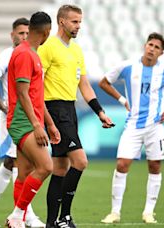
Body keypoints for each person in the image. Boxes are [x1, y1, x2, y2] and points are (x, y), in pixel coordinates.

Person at [99, 32, 164, 224]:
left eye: (157, 47)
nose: (152, 49)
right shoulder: (128, 66)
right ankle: (115, 212)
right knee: (122, 164)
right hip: (133, 125)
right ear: (144, 46)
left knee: (154, 166)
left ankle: (148, 211)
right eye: (150, 45)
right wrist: (122, 100)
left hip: (156, 126)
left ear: (161, 53)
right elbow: (104, 82)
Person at [37, 5, 114, 228]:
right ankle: (65, 217)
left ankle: (52, 223)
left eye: (80, 21)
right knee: (80, 161)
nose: (78, 26)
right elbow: (37, 84)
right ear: (61, 22)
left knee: (60, 167)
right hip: (54, 109)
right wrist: (44, 118)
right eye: (74, 21)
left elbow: (85, 85)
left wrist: (100, 112)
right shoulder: (48, 47)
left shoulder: (76, 50)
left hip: (69, 109)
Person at [0, 17, 44, 228]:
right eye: (19, 33)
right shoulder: (9, 54)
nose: (23, 36)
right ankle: (24, 216)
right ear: (12, 35)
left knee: (13, 164)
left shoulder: (29, 54)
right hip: (16, 119)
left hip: (24, 117)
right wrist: (5, 108)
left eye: (26, 33)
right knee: (18, 165)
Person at [5, 11, 60, 228]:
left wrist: (50, 123)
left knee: (25, 173)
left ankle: (18, 218)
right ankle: (18, 215)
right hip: (23, 122)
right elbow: (22, 93)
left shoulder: (32, 54)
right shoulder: (25, 54)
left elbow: (37, 96)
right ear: (46, 32)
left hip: (31, 120)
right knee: (46, 166)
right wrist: (37, 126)